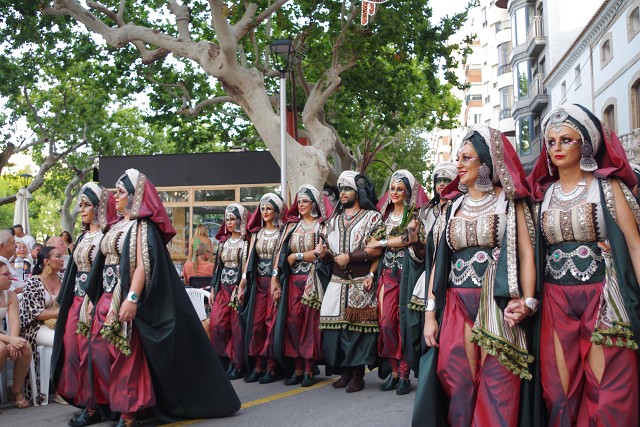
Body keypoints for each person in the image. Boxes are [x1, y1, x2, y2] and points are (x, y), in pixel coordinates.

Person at [89, 169, 240, 427]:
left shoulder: (141, 226)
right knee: (100, 351)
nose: (116, 196)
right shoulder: (116, 226)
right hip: (106, 298)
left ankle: (129, 413)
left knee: (127, 355)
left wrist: (132, 298)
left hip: (125, 299)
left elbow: (142, 266)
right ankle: (110, 406)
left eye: (121, 192)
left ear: (135, 196)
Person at [413, 125, 536, 426]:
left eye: (466, 158)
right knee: (458, 381)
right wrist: (430, 314)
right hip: (457, 303)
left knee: (499, 383)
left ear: (485, 162)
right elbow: (438, 264)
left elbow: (526, 254)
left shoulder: (509, 202)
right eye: (458, 158)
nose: (458, 164)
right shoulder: (452, 207)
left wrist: (528, 301)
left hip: (496, 303)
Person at [527, 104, 640, 426]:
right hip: (555, 299)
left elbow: (634, 244)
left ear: (586, 144)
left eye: (566, 140)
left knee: (608, 390)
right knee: (558, 392)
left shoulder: (608, 187)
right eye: (551, 142)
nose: (557, 148)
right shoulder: (542, 196)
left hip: (603, 297)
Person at [52, 183, 116, 427]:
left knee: (92, 354)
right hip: (76, 301)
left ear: (99, 207)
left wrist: (97, 301)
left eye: (86, 205)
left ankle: (95, 407)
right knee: (71, 350)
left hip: (94, 301)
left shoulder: (106, 237)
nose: (81, 209)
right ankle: (84, 400)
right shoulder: (81, 237)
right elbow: (72, 272)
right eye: (80, 205)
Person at [316, 171, 383, 393]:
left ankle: (357, 375)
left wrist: (350, 257)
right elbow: (329, 252)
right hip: (336, 281)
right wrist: (324, 253)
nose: (343, 193)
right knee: (336, 328)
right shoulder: (332, 220)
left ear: (358, 192)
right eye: (341, 189)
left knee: (358, 330)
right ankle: (345, 371)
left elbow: (377, 249)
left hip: (360, 281)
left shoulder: (373, 218)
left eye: (347, 189)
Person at [368, 170, 428, 395]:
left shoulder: (415, 217)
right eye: (392, 188)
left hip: (407, 274)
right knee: (385, 323)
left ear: (407, 193)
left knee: (403, 324)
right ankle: (393, 370)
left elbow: (407, 239)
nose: (394, 192)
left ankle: (403, 374)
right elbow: (370, 244)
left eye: (399, 189)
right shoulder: (385, 218)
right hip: (386, 273)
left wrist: (383, 242)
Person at [270, 185, 334, 387]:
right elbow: (280, 254)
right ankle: (297, 367)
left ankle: (308, 368)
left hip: (312, 280)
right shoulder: (291, 226)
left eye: (305, 201)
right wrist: (274, 278)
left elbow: (321, 252)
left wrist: (296, 255)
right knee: (292, 321)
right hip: (292, 281)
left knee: (309, 323)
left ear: (314, 203)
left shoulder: (321, 226)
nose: (301, 204)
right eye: (299, 201)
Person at [239, 193, 285, 383]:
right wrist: (242, 284)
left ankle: (271, 367)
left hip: (274, 282)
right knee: (257, 324)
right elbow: (249, 259)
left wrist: (277, 281)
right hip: (258, 283)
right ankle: (258, 364)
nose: (265, 212)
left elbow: (281, 259)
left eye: (269, 208)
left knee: (271, 323)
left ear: (276, 211)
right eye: (263, 208)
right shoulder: (256, 234)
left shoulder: (282, 232)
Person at [19, 246, 65, 404]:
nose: (62, 259)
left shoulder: (63, 278)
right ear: (46, 261)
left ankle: (75, 385)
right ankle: (61, 390)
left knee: (76, 337)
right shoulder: (33, 282)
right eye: (58, 256)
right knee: (62, 340)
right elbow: (36, 314)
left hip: (58, 324)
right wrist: (60, 312)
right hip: (35, 327)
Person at [209, 203, 249, 380]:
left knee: (236, 327)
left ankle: (237, 364)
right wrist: (213, 288)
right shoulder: (223, 244)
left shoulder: (245, 243)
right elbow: (218, 268)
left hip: (236, 289)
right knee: (216, 324)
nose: (229, 222)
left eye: (233, 219)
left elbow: (245, 268)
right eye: (227, 219)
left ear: (240, 221)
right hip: (222, 288)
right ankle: (225, 359)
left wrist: (241, 287)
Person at [0, 259, 33, 409]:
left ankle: (16, 390)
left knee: (24, 346)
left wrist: (14, 340)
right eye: (6, 274)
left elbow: (14, 322)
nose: (11, 277)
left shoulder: (10, 295)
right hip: (3, 337)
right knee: (1, 348)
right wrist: (10, 339)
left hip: (2, 334)